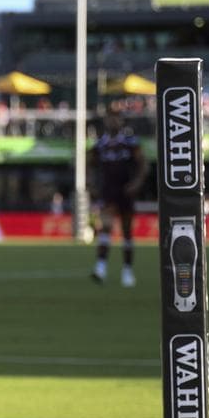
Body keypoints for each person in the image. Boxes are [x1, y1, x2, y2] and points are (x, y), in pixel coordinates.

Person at [90, 108, 145, 287]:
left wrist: (137, 182)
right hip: (108, 191)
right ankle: (100, 267)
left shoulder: (130, 143)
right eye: (109, 119)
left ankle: (127, 271)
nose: (112, 122)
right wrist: (91, 185)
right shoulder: (100, 145)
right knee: (105, 227)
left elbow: (143, 165)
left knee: (127, 231)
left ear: (121, 122)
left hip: (126, 191)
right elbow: (89, 166)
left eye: (116, 119)